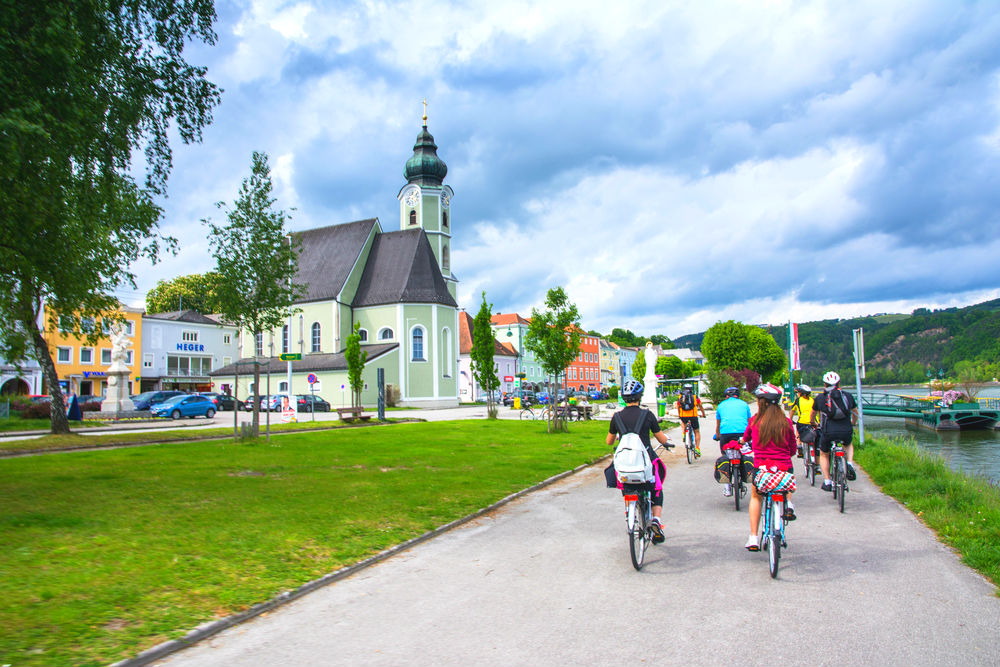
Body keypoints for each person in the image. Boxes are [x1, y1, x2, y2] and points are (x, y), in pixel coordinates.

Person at [607, 378, 672, 544]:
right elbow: (661, 438)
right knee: (657, 487)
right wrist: (667, 443)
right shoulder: (647, 415)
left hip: (626, 465)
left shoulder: (617, 417)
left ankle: (629, 510)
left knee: (627, 485)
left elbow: (609, 441)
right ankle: (656, 519)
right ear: (639, 397)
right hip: (645, 462)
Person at [741, 382, 797, 550]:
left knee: (756, 497)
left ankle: (753, 537)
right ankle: (788, 505)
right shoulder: (786, 422)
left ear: (761, 402)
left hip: (762, 469)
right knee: (784, 486)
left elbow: (745, 439)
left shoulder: (754, 421)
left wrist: (743, 443)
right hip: (784, 467)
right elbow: (793, 449)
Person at [810, 371, 859, 492]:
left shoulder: (820, 398)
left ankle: (827, 482)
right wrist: (853, 422)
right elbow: (855, 412)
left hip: (828, 431)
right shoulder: (847, 396)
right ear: (839, 383)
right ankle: (850, 463)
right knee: (848, 444)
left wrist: (813, 422)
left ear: (825, 385)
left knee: (824, 454)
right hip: (845, 429)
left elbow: (813, 414)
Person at [715, 386, 752, 497]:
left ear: (727, 396)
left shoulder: (721, 405)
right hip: (742, 434)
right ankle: (745, 472)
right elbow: (750, 422)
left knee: (725, 455)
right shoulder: (744, 404)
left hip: (725, 434)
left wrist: (717, 435)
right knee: (743, 452)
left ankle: (727, 488)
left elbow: (718, 423)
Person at [783, 384, 815, 458]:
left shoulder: (798, 400)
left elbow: (792, 411)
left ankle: (799, 445)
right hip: (813, 422)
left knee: (798, 433)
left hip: (802, 422)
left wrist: (790, 420)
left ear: (800, 393)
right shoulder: (813, 400)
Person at [675, 382, 706, 455]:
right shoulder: (695, 397)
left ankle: (683, 433)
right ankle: (697, 448)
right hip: (693, 416)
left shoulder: (680, 397)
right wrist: (703, 414)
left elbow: (678, 406)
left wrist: (679, 415)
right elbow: (700, 406)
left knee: (683, 422)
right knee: (696, 431)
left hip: (683, 415)